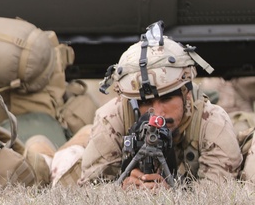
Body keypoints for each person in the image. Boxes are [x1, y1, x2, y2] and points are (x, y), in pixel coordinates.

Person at [70, 22, 242, 189]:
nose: (157, 113)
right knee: (69, 158)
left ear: (186, 93)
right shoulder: (112, 118)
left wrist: (173, 193)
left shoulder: (212, 122)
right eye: (145, 103)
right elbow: (91, 189)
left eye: (166, 99)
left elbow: (218, 193)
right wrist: (122, 190)